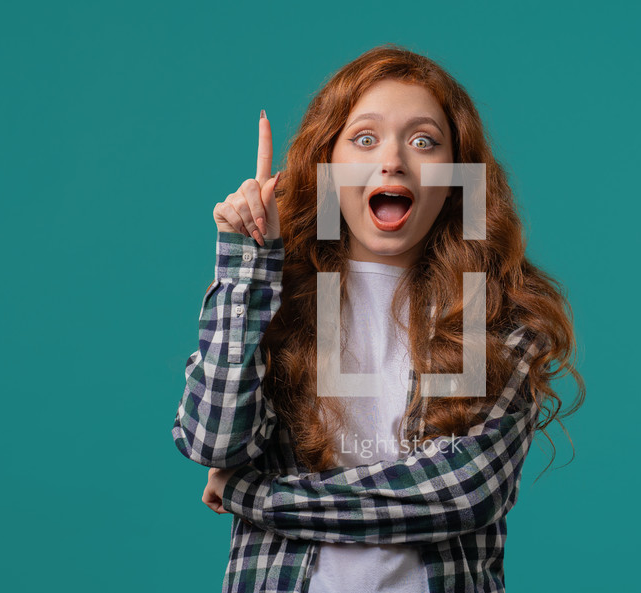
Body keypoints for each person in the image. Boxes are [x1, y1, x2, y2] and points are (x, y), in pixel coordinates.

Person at [172, 43, 584, 593]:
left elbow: (460, 493)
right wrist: (247, 265)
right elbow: (214, 442)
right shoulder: (275, 299)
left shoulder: (502, 317)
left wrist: (253, 495)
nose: (393, 160)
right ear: (328, 165)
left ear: (459, 175)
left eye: (423, 141)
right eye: (365, 139)